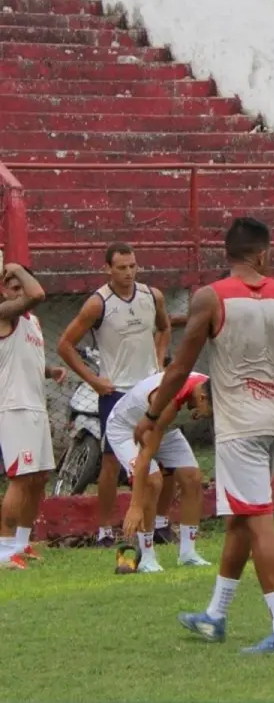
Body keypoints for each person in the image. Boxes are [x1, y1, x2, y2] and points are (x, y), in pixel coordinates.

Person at [136, 217, 274, 654]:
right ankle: (215, 615)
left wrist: (154, 412)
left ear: (228, 254)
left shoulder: (210, 297)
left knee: (258, 521)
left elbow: (179, 367)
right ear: (264, 254)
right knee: (239, 519)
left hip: (240, 427)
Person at [57, 242, 174, 547]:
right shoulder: (98, 303)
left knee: (164, 453)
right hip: (116, 393)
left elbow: (165, 328)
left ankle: (160, 524)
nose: (128, 273)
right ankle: (105, 530)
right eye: (121, 267)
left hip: (150, 390)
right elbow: (65, 345)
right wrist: (94, 380)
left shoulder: (152, 296)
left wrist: (159, 363)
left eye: (133, 266)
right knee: (111, 462)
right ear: (107, 268)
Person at [110, 371, 213, 571]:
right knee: (152, 481)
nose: (210, 416)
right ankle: (146, 558)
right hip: (126, 428)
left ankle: (188, 554)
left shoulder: (209, 387)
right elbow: (145, 457)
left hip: (165, 428)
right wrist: (136, 506)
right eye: (211, 411)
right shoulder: (168, 401)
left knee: (192, 478)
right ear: (202, 399)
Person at [0, 264, 64, 570]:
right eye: (12, 286)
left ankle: (22, 544)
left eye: (20, 284)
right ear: (3, 290)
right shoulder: (4, 313)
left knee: (39, 478)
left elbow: (26, 362)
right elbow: (37, 293)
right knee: (21, 477)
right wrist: (13, 267)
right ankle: (3, 549)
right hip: (15, 407)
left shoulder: (33, 322)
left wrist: (50, 371)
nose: (19, 290)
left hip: (36, 405)